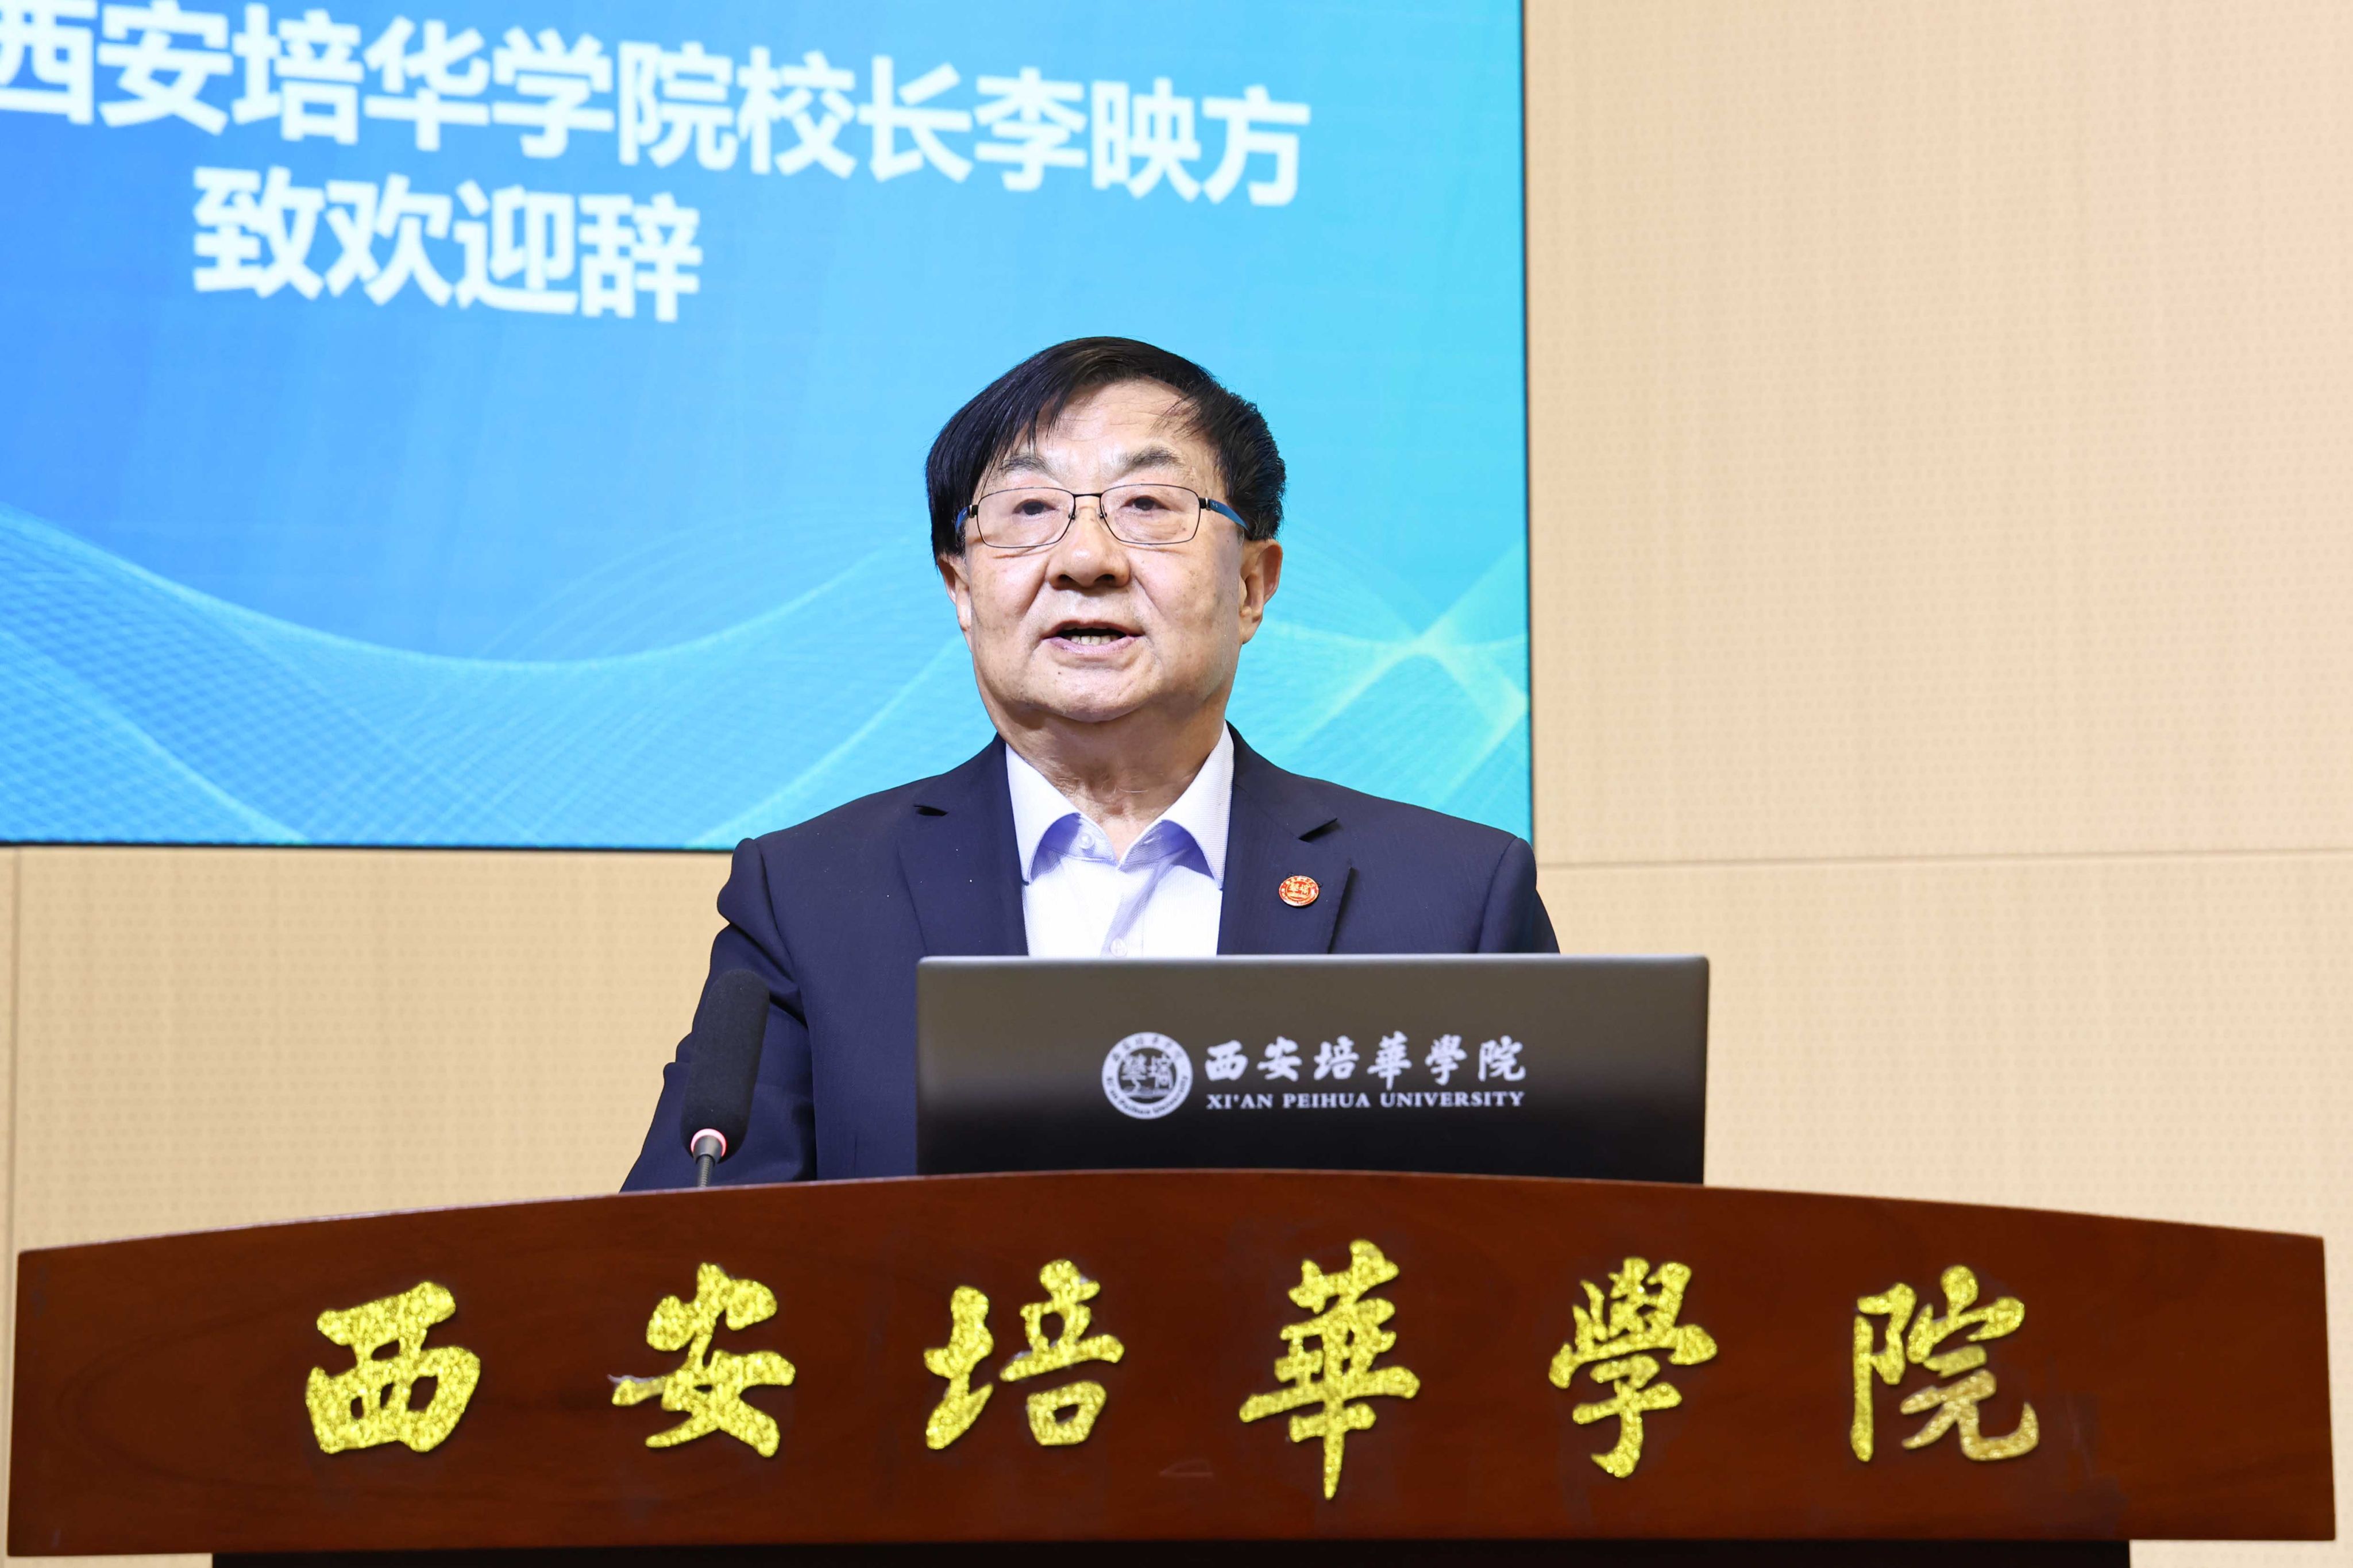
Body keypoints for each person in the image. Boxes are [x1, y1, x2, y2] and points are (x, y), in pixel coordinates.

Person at [623, 337, 1555, 1187]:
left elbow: (1568, 1258)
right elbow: (683, 1259)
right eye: (1029, 509)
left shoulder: (1454, 903)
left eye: (1147, 506)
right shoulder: (808, 897)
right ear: (960, 588)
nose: (1085, 559)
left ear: (1252, 585)